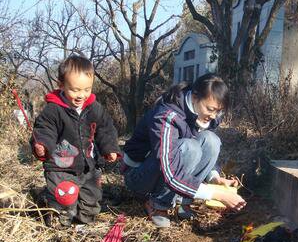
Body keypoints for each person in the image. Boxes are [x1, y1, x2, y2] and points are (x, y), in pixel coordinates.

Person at [122, 73, 246, 227]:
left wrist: (214, 178)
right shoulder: (167, 116)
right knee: (190, 148)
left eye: (218, 111)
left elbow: (205, 148)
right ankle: (158, 204)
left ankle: (184, 202)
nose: (213, 116)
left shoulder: (203, 114)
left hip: (166, 169)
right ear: (194, 97)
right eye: (210, 109)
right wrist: (217, 195)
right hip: (139, 175)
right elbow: (170, 172)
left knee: (211, 140)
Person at [32, 55, 121, 226]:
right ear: (61, 85)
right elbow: (45, 129)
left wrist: (110, 148)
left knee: (91, 201)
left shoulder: (94, 107)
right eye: (75, 90)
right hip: (61, 167)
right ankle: (58, 220)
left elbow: (105, 128)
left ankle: (83, 222)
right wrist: (42, 144)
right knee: (64, 201)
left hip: (89, 166)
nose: (81, 95)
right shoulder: (54, 110)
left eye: (87, 89)